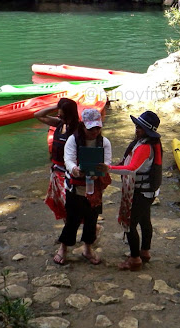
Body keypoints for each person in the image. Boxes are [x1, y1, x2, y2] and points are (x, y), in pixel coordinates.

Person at [98, 111, 162, 272]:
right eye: (136, 126)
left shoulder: (145, 147)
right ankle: (145, 252)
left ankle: (134, 260)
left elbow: (132, 168)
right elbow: (130, 162)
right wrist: (119, 163)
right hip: (149, 191)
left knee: (130, 225)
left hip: (140, 192)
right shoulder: (149, 143)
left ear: (147, 130)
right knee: (145, 221)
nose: (136, 129)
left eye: (139, 127)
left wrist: (110, 168)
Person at [62, 108, 112, 265]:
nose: (95, 131)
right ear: (83, 126)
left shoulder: (104, 142)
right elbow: (68, 160)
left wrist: (102, 170)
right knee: (72, 220)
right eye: (91, 128)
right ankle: (63, 248)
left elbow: (108, 162)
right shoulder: (73, 140)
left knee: (92, 219)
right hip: (75, 187)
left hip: (94, 188)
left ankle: (87, 248)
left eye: (98, 128)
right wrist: (75, 170)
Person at [34, 98, 80, 265]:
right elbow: (37, 114)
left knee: (69, 208)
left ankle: (64, 247)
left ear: (68, 113)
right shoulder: (60, 124)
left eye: (61, 111)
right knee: (61, 207)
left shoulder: (77, 128)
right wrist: (56, 106)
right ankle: (76, 232)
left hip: (69, 175)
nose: (58, 113)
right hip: (56, 172)